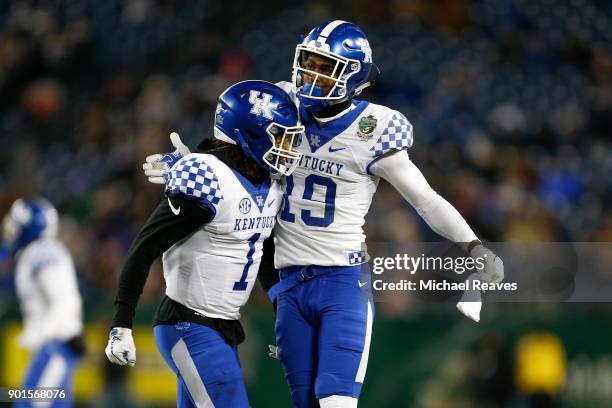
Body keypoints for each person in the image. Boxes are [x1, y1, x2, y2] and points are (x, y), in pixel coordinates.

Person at [144, 21, 504, 408]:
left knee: (336, 403)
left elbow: (426, 200)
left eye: (324, 66)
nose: (311, 75)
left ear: (353, 75)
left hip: (342, 282)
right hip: (288, 286)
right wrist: (190, 167)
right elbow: (235, 147)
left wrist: (472, 244)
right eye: (309, 62)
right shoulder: (283, 107)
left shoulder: (374, 129)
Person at [105, 80, 303, 408]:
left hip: (223, 326)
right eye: (279, 136)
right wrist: (121, 323)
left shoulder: (270, 183)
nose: (287, 147)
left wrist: (281, 304)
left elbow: (260, 246)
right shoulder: (207, 181)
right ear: (249, 133)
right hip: (188, 323)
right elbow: (145, 247)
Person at [1, 197, 85, 408]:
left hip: (55, 346)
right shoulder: (40, 251)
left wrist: (39, 335)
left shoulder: (40, 252)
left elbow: (64, 301)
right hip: (58, 346)